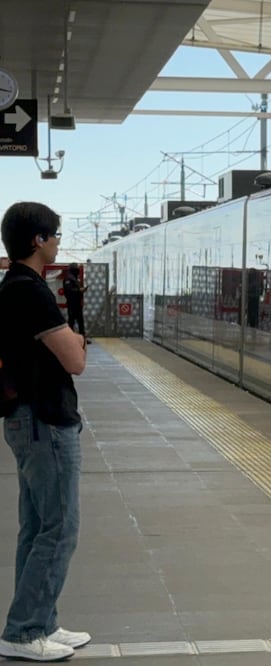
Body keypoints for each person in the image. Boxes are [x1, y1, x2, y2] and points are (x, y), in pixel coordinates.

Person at [0, 202, 90, 661]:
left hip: (30, 420)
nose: (58, 241)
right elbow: (75, 359)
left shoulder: (15, 286)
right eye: (54, 233)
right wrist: (75, 337)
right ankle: (24, 631)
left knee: (37, 527)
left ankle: (41, 620)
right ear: (37, 239)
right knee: (59, 528)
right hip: (45, 422)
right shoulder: (29, 291)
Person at [62, 263, 86, 339]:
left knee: (80, 321)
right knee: (71, 321)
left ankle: (82, 338)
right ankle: (70, 338)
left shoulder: (74, 278)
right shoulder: (69, 278)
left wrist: (80, 290)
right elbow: (69, 291)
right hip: (72, 303)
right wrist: (79, 290)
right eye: (77, 268)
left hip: (77, 303)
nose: (78, 269)